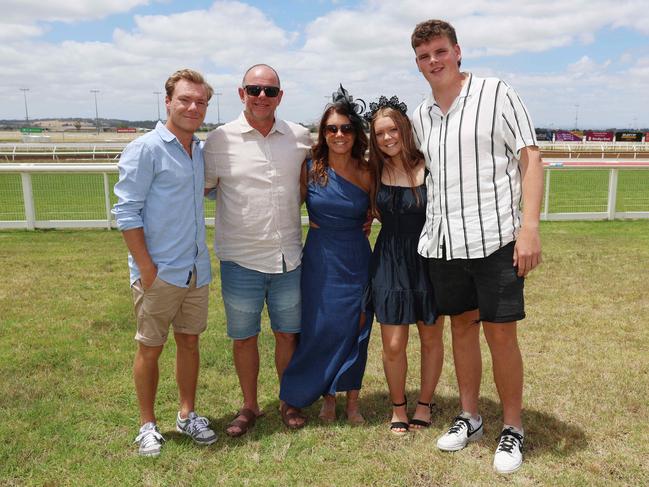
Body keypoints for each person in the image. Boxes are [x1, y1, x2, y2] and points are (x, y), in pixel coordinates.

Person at [410, 19, 543, 474]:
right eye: (425, 56)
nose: (434, 61)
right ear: (418, 63)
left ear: (458, 51)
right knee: (460, 328)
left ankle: (512, 428)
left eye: (440, 51)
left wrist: (529, 228)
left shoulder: (496, 93)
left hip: (496, 240)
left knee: (500, 333)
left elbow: (531, 157)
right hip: (446, 242)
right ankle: (470, 417)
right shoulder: (420, 113)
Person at [203, 64, 312, 435]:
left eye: (269, 91)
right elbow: (195, 188)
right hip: (240, 258)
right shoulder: (218, 140)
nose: (261, 97)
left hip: (288, 258)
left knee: (287, 335)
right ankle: (249, 406)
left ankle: (288, 400)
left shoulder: (300, 137)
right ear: (241, 93)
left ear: (280, 96)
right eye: (254, 90)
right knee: (244, 337)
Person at [113, 68, 217, 457]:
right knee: (150, 348)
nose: (193, 107)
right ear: (168, 101)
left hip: (196, 270)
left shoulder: (200, 152)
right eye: (185, 99)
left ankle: (187, 415)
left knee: (189, 343)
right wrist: (146, 267)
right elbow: (126, 212)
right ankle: (147, 425)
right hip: (158, 272)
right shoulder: (145, 149)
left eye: (201, 101)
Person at [279, 86, 374, 424]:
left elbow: (382, 214)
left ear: (356, 133)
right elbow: (285, 205)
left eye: (346, 128)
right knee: (320, 328)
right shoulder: (310, 168)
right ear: (323, 133)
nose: (339, 134)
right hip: (320, 260)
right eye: (332, 128)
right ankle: (326, 399)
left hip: (357, 260)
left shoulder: (367, 172)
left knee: (356, 327)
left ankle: (352, 403)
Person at [364, 96, 444, 436]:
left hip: (428, 258)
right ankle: (398, 407)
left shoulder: (431, 165)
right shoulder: (373, 171)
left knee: (430, 337)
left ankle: (424, 403)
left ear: (405, 129)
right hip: (389, 259)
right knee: (393, 344)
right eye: (380, 133)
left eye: (393, 129)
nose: (387, 138)